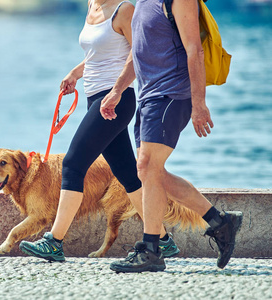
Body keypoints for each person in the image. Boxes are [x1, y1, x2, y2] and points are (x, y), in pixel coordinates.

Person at [18, 0, 180, 262]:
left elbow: (139, 54)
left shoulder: (124, 10)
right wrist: (75, 73)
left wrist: (116, 91)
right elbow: (97, 54)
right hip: (95, 99)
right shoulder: (92, 6)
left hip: (117, 100)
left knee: (72, 163)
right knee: (127, 173)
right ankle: (162, 240)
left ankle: (54, 241)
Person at [105, 0, 243, 273]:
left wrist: (198, 103)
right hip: (147, 96)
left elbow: (195, 49)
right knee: (152, 173)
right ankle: (220, 222)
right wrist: (117, 90)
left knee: (147, 167)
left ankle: (151, 249)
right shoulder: (143, 2)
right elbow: (138, 52)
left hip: (170, 94)